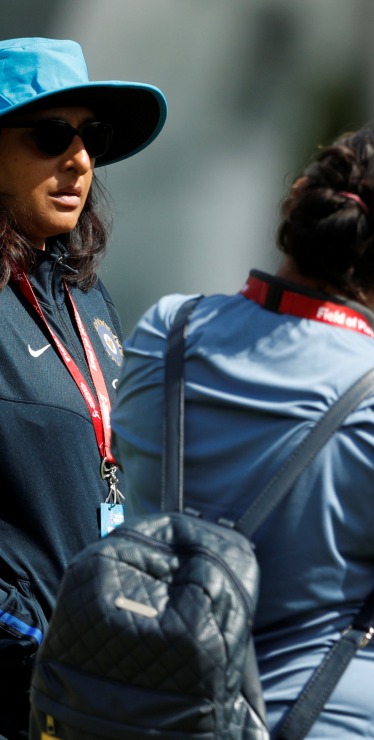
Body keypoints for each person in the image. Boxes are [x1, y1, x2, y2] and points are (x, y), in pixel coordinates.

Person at [109, 127, 374, 739]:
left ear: (295, 205)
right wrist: (373, 376)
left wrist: (361, 368)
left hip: (148, 715)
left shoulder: (166, 333)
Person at [0, 37, 166, 739]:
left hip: (94, 688)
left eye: (90, 137)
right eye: (50, 135)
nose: (78, 160)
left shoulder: (87, 297)